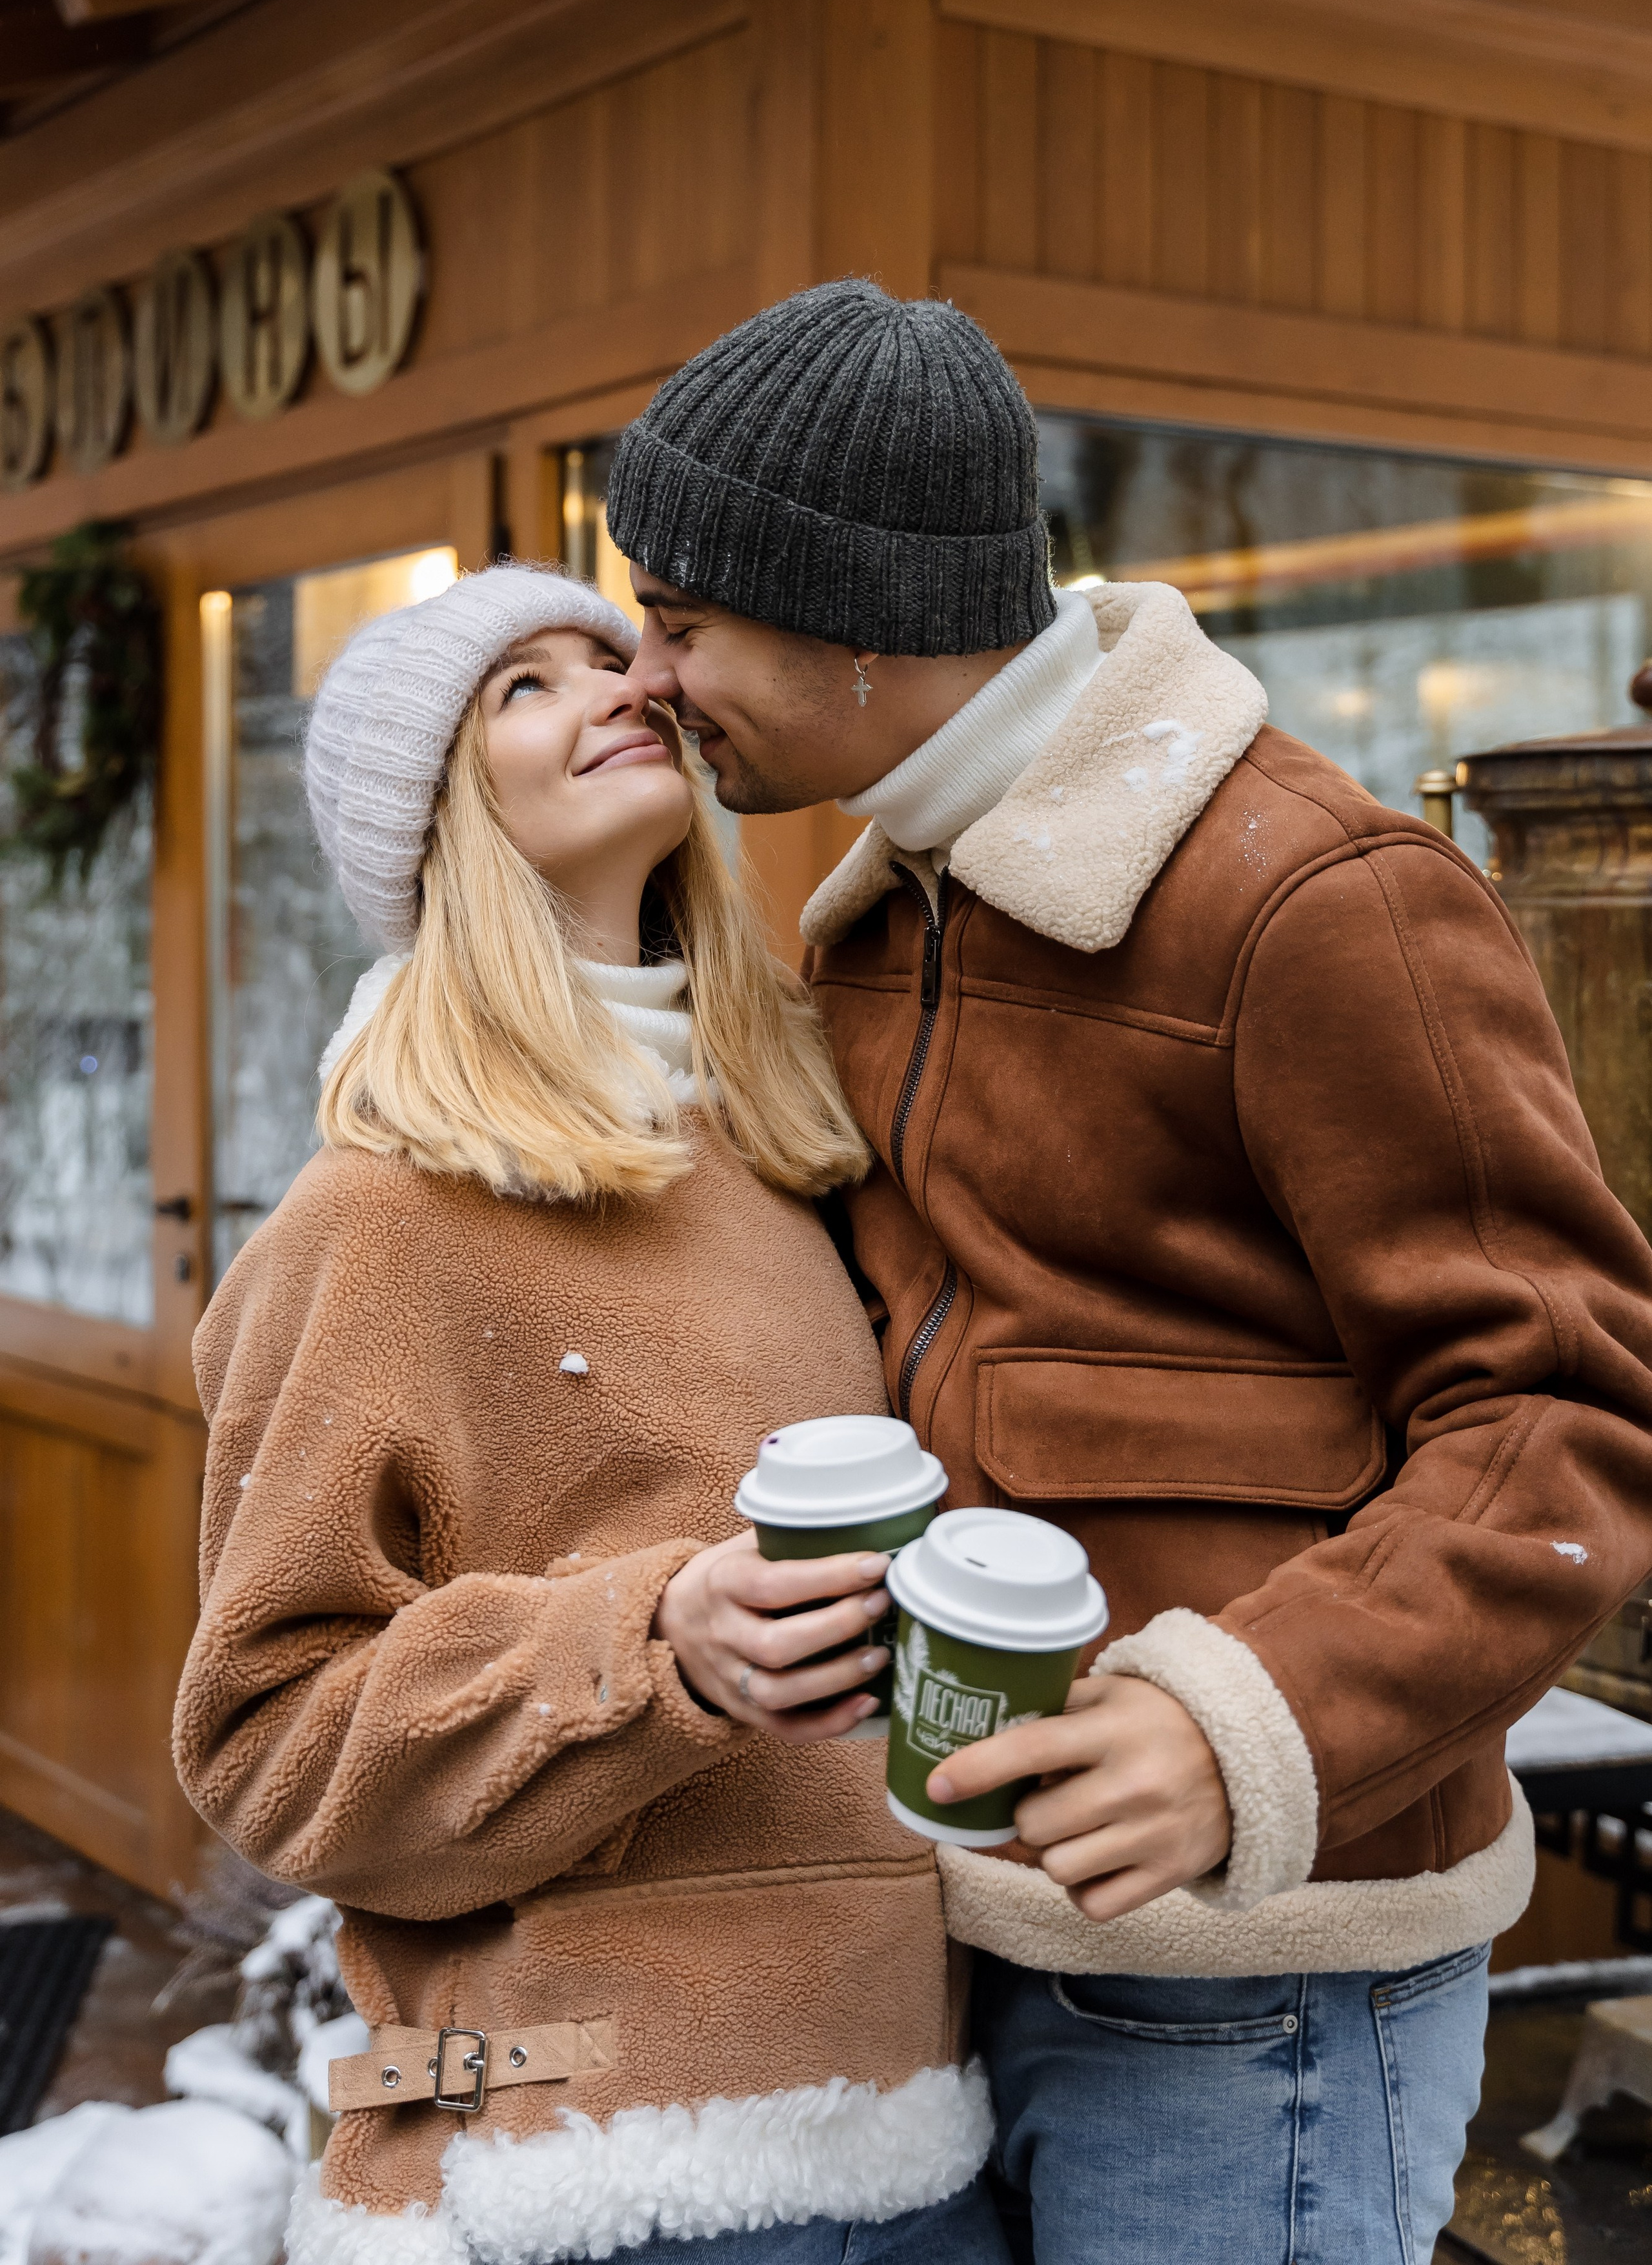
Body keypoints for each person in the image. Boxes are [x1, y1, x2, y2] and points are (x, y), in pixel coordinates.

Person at [609, 280, 1652, 2265]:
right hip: (952, 1919)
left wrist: (1249, 1728)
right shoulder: (871, 923)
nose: (648, 677)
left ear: (855, 617)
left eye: (681, 620)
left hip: (1262, 1974)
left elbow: (1565, 1414)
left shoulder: (1318, 899)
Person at [172, 565, 1012, 2265]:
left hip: (916, 2107)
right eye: (528, 688)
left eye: (617, 659)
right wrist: (653, 1648)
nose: (625, 689)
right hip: (593, 2156)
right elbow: (266, 1741)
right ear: (438, 820)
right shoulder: (381, 1216)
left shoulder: (786, 1149)